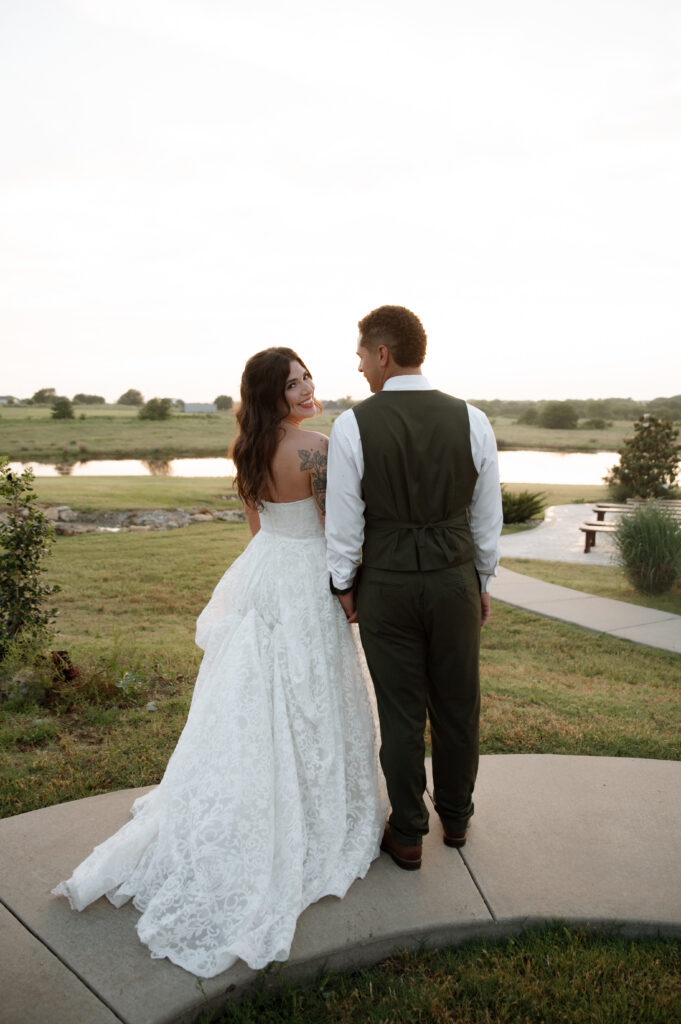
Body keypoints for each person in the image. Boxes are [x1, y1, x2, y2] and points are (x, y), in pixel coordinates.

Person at [53, 347, 385, 978]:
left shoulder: (248, 447)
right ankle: (315, 811)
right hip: (308, 572)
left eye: (308, 377)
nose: (308, 388)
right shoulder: (318, 445)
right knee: (311, 690)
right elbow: (336, 524)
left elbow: (258, 529)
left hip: (265, 570)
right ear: (273, 393)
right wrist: (347, 581)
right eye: (294, 383)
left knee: (260, 694)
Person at [326, 306, 502, 871]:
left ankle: (406, 833)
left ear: (383, 353)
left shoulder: (353, 425)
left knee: (400, 712)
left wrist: (343, 584)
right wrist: (481, 579)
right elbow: (486, 517)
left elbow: (345, 521)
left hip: (387, 585)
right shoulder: (473, 420)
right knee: (458, 703)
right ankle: (456, 816)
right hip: (453, 580)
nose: (358, 367)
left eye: (360, 355)